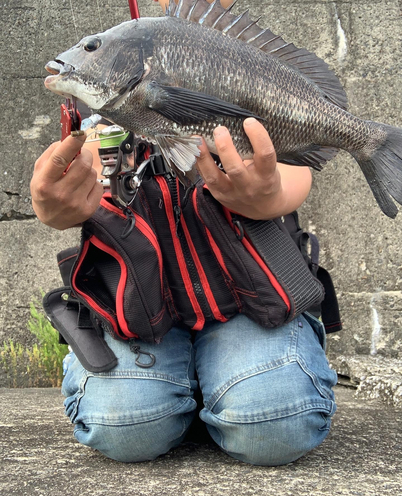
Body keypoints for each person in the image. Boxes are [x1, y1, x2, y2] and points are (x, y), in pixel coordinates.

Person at [30, 0, 338, 466]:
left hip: (247, 301)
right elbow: (87, 176)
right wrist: (53, 207)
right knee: (125, 428)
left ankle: (226, 387)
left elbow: (293, 177)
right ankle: (205, 389)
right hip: (139, 306)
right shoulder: (104, 88)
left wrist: (264, 195)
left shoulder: (245, 58)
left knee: (276, 421)